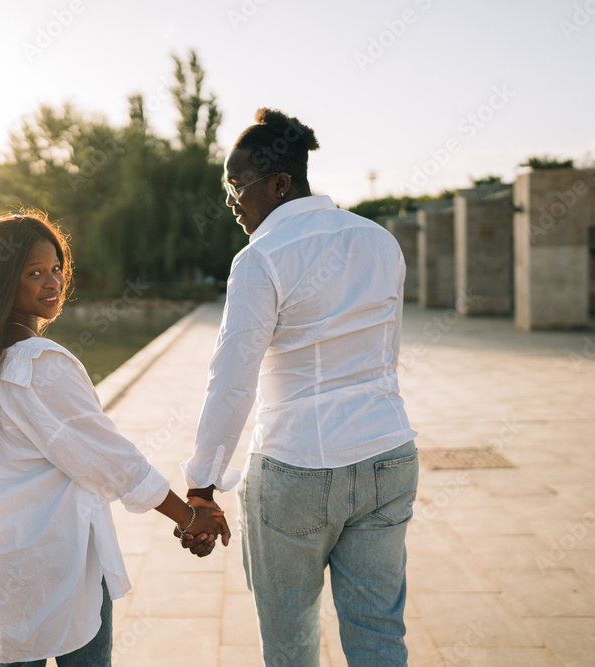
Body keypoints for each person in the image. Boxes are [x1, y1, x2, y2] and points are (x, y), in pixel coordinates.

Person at [0, 210, 226, 666]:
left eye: (57, 268)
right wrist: (187, 516)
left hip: (0, 559)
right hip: (56, 558)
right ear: (3, 281)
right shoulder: (39, 365)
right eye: (34, 273)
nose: (53, 282)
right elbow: (112, 461)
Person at [181, 109, 419, 666]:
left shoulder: (260, 258)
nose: (232, 201)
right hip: (388, 455)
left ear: (280, 182)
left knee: (290, 641)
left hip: (296, 469)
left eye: (237, 185)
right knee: (379, 634)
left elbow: (232, 382)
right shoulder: (380, 240)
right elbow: (387, 356)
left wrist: (201, 484)